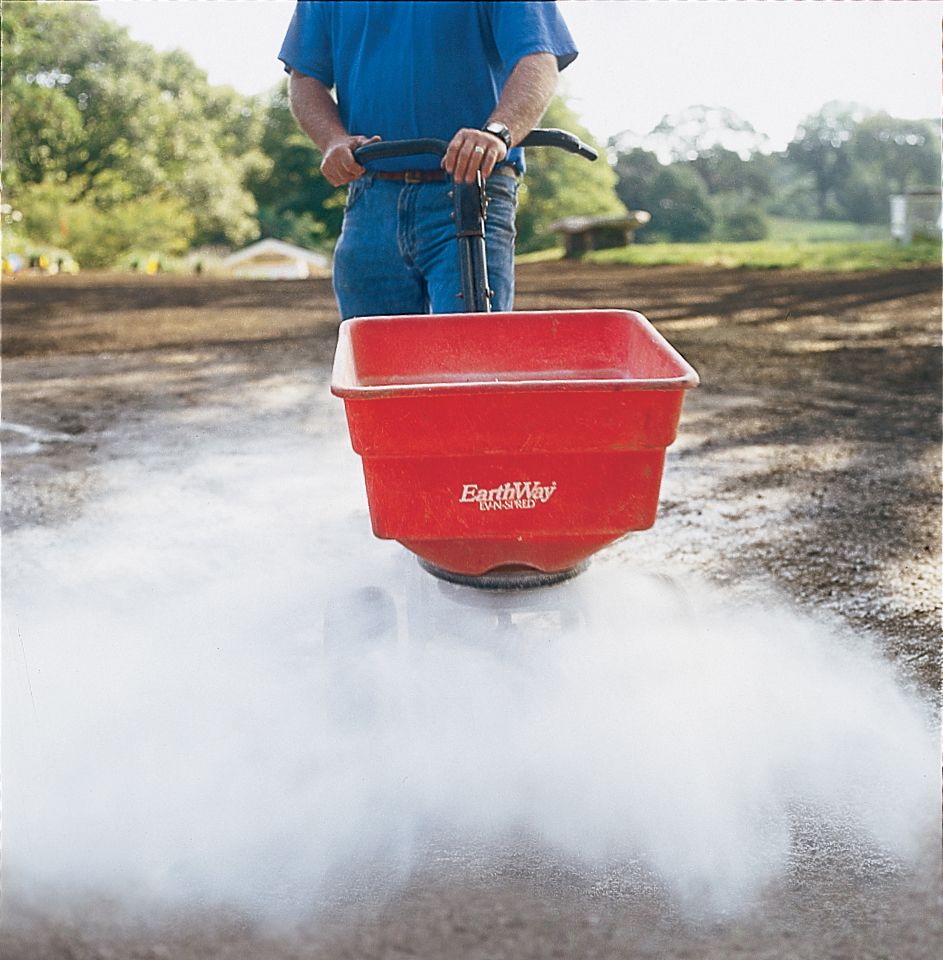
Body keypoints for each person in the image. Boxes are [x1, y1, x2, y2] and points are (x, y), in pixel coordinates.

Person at [278, 1, 577, 319]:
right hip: (370, 198)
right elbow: (304, 77)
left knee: (470, 356)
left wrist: (497, 132)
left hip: (470, 190)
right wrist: (331, 139)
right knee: (375, 358)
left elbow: (538, 59)